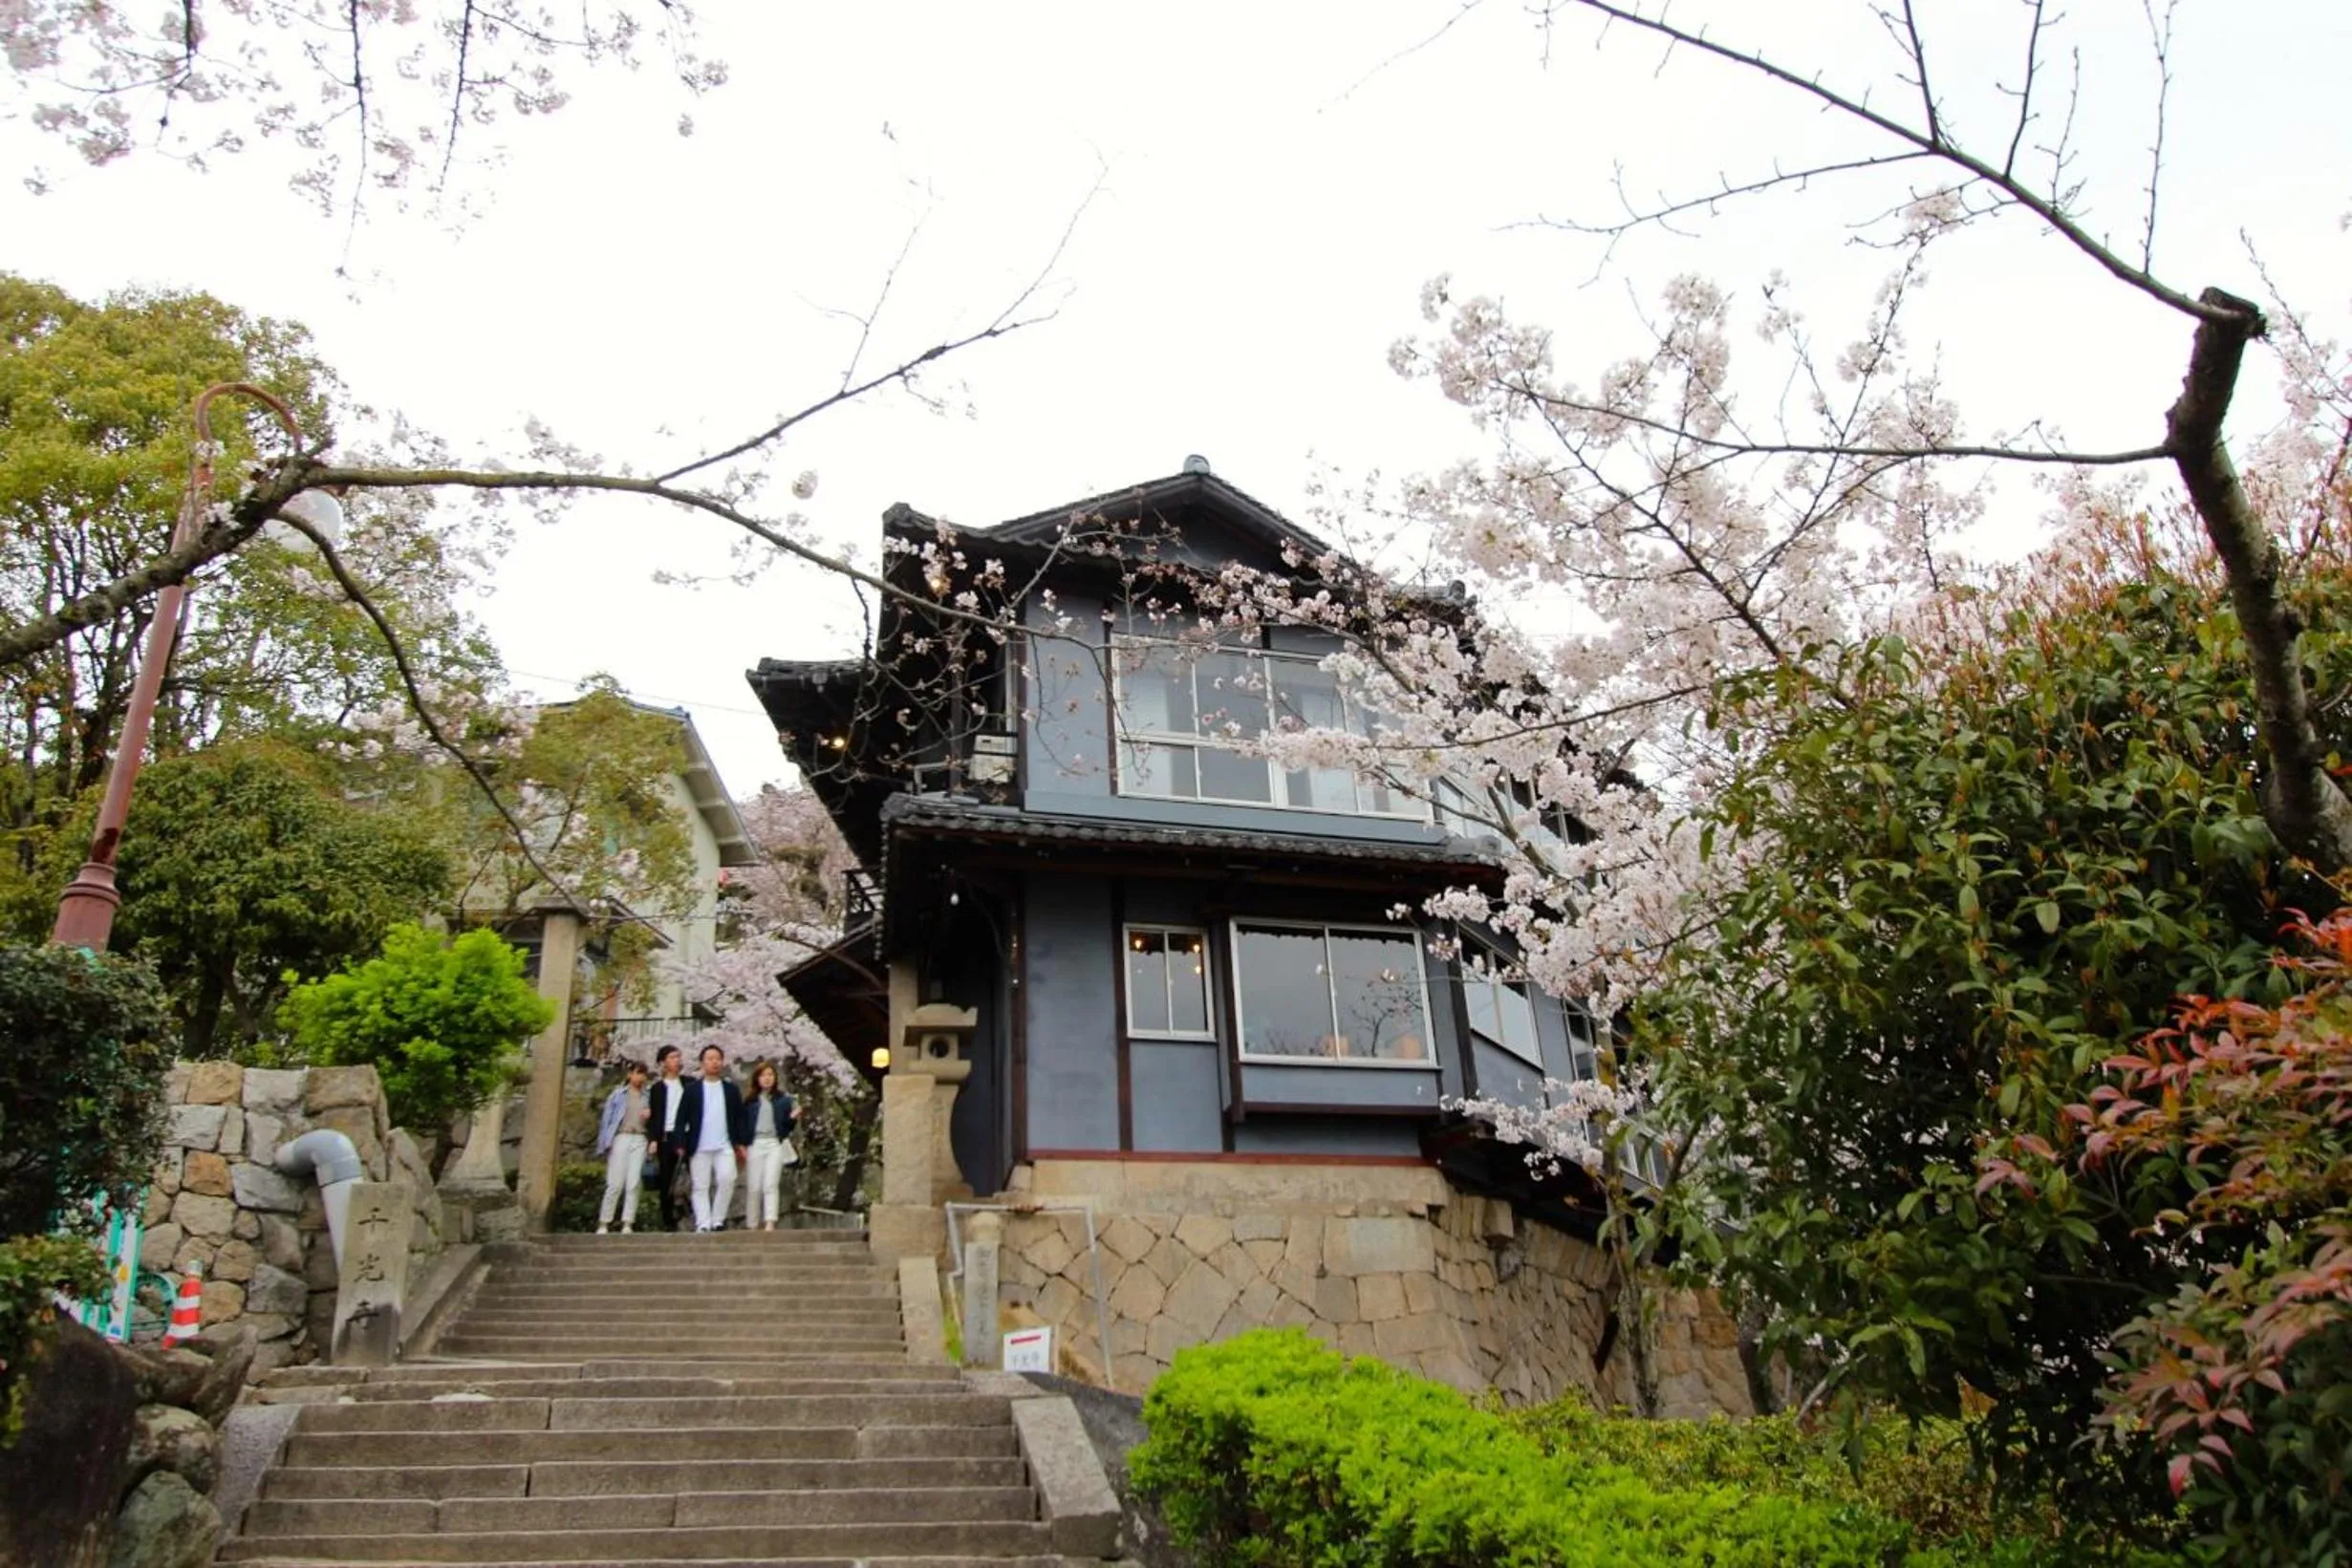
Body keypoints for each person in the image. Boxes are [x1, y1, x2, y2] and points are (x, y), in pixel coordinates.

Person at [672, 1042, 748, 1233]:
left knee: (727, 1178)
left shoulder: (730, 1089)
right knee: (700, 1185)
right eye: (710, 1059)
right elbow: (680, 1119)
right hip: (699, 1146)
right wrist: (680, 1142)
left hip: (724, 1145)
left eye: (717, 1059)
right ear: (702, 1063)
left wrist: (740, 1143)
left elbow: (740, 1117)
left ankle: (718, 1219)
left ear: (722, 1062)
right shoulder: (692, 1090)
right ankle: (703, 1222)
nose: (714, 1062)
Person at [593, 1059, 653, 1234]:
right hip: (621, 1136)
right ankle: (604, 1221)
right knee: (615, 1182)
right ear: (629, 1074)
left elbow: (654, 1121)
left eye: (643, 1074)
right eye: (637, 1073)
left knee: (633, 1182)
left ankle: (628, 1221)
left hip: (640, 1137)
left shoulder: (648, 1096)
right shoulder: (618, 1095)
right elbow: (607, 1121)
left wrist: (650, 1116)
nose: (640, 1077)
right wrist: (604, 1144)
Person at [741, 1062, 799, 1232]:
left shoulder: (784, 1100)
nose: (767, 1079)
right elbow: (743, 1125)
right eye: (763, 1075)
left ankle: (770, 1221)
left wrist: (793, 1118)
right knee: (754, 1186)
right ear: (757, 1078)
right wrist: (742, 1145)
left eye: (770, 1075)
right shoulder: (750, 1102)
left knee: (771, 1183)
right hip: (755, 1143)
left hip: (774, 1143)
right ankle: (752, 1223)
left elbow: (786, 1127)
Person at [647, 1044, 692, 1232]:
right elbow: (655, 1115)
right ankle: (668, 1219)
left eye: (678, 1056)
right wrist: (653, 1140)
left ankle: (694, 1215)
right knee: (666, 1178)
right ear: (663, 1062)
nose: (677, 1060)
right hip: (666, 1136)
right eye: (672, 1057)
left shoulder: (689, 1083)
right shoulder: (657, 1088)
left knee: (693, 1175)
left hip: (686, 1134)